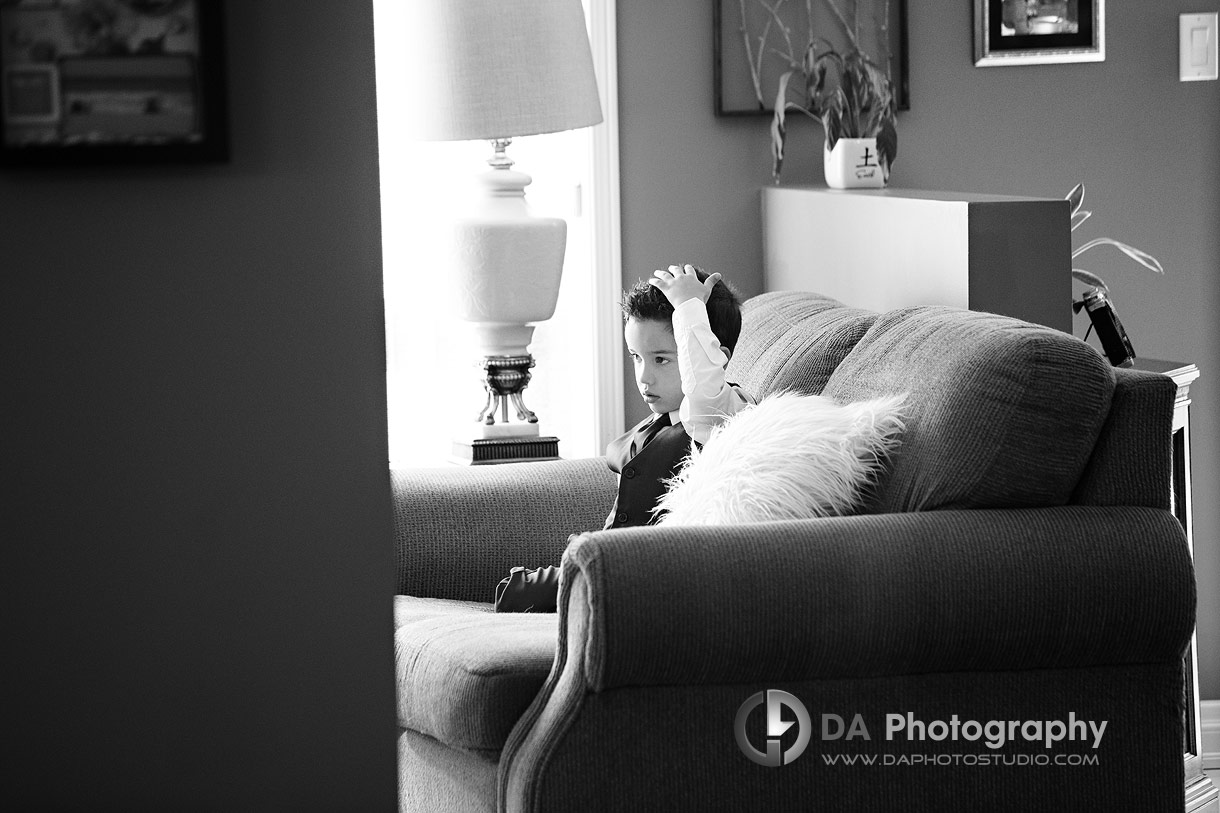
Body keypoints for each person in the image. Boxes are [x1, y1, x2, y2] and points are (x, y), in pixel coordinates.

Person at [495, 264, 752, 612]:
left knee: (524, 591)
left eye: (661, 359)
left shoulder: (720, 413)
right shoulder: (653, 427)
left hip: (652, 575)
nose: (644, 377)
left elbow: (703, 384)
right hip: (609, 558)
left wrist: (689, 308)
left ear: (714, 355)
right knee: (520, 590)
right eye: (636, 357)